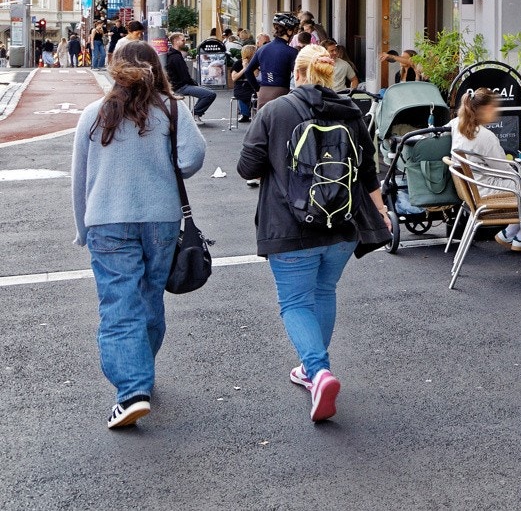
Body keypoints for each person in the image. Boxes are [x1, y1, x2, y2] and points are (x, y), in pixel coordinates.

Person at [237, 44, 387, 423]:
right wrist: (382, 212)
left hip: (290, 227)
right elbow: (368, 170)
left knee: (295, 302)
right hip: (343, 225)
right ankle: (311, 370)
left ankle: (318, 371)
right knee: (323, 292)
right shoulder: (351, 111)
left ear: (297, 74)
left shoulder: (275, 111)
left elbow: (247, 168)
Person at [71, 40, 207, 429]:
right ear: (157, 69)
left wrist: (83, 228)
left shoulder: (93, 115)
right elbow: (192, 160)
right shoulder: (171, 111)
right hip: (160, 219)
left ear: (114, 71)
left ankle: (132, 390)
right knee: (149, 297)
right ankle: (140, 374)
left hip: (107, 220)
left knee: (118, 304)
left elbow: (80, 180)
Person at [450, 88, 521, 250]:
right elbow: (504, 170)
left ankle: (516, 234)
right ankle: (516, 235)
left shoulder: (456, 126)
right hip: (485, 191)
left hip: (470, 189)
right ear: (487, 109)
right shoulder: (485, 136)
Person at [160, 32, 217, 121]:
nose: (185, 42)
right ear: (175, 41)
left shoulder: (173, 55)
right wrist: (193, 83)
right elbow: (184, 75)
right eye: (183, 40)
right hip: (180, 86)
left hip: (179, 85)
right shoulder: (176, 57)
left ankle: (195, 113)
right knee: (210, 94)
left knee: (208, 92)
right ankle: (195, 114)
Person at [247, 14, 300, 107]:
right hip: (281, 93)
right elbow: (298, 75)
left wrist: (257, 89)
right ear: (289, 31)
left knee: (263, 121)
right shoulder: (292, 52)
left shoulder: (262, 49)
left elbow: (248, 71)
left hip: (263, 93)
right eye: (294, 31)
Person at [231, 43, 260, 125]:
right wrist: (244, 69)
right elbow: (234, 78)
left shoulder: (255, 62)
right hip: (241, 85)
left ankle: (252, 112)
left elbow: (256, 74)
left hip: (252, 84)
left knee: (256, 92)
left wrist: (251, 65)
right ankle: (245, 114)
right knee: (243, 94)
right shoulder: (238, 63)